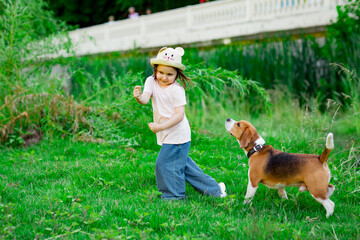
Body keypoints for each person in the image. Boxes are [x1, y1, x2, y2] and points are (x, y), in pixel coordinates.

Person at [133, 47, 227, 200]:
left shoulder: (177, 90)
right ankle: (215, 190)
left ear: (177, 74)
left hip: (178, 133)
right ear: (155, 70)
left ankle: (174, 196)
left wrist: (160, 127)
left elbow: (179, 115)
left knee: (163, 164)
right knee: (184, 166)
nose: (164, 77)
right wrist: (138, 97)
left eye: (170, 74)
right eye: (161, 72)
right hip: (166, 132)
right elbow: (145, 98)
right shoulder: (151, 81)